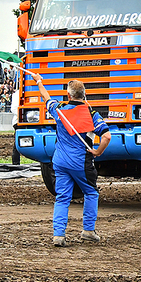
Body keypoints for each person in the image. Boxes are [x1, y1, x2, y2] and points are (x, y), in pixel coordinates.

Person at [31, 72, 111, 247]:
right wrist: (97, 152)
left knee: (62, 197)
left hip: (59, 161)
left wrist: (39, 82)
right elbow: (107, 137)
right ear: (84, 95)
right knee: (91, 193)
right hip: (80, 163)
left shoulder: (59, 109)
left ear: (68, 95)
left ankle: (58, 235)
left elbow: (46, 97)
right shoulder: (92, 114)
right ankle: (88, 231)